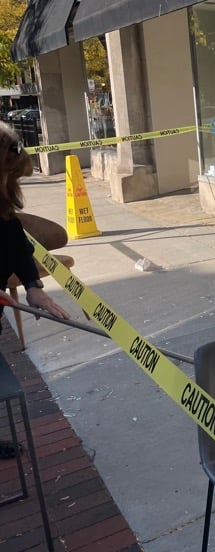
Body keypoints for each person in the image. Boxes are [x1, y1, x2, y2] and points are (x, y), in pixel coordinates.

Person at [0, 121, 69, 458]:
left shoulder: (2, 210)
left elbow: (13, 239)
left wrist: (33, 285)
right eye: (10, 176)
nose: (13, 185)